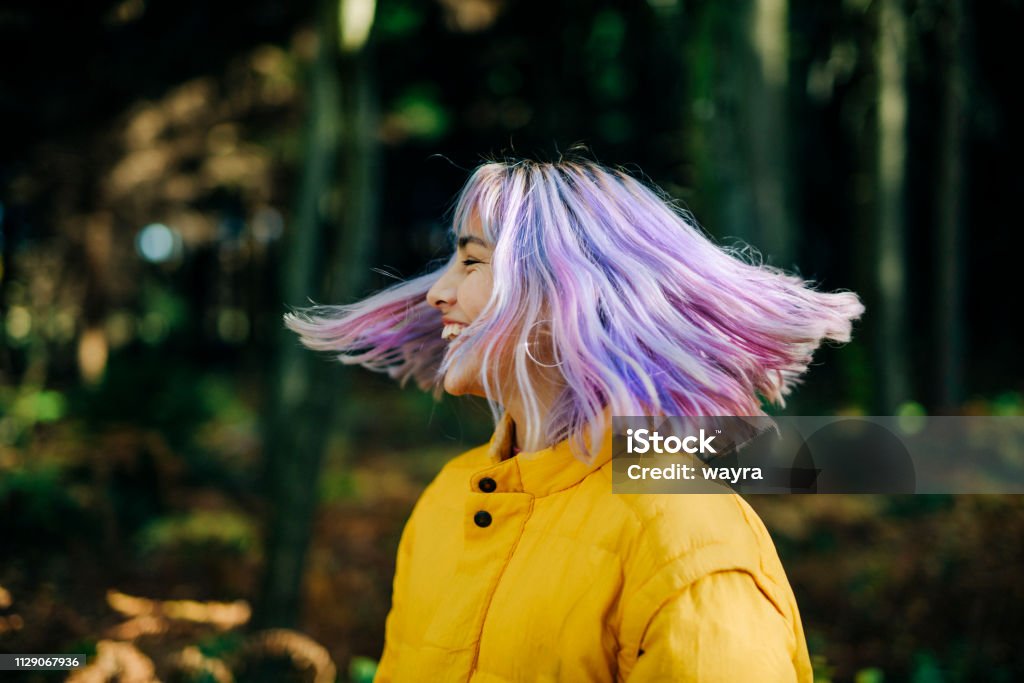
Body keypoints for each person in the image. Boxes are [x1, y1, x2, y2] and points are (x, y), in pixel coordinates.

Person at [285, 157, 864, 681]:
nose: (438, 291)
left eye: (471, 261)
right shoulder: (444, 502)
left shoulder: (685, 536)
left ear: (564, 294)